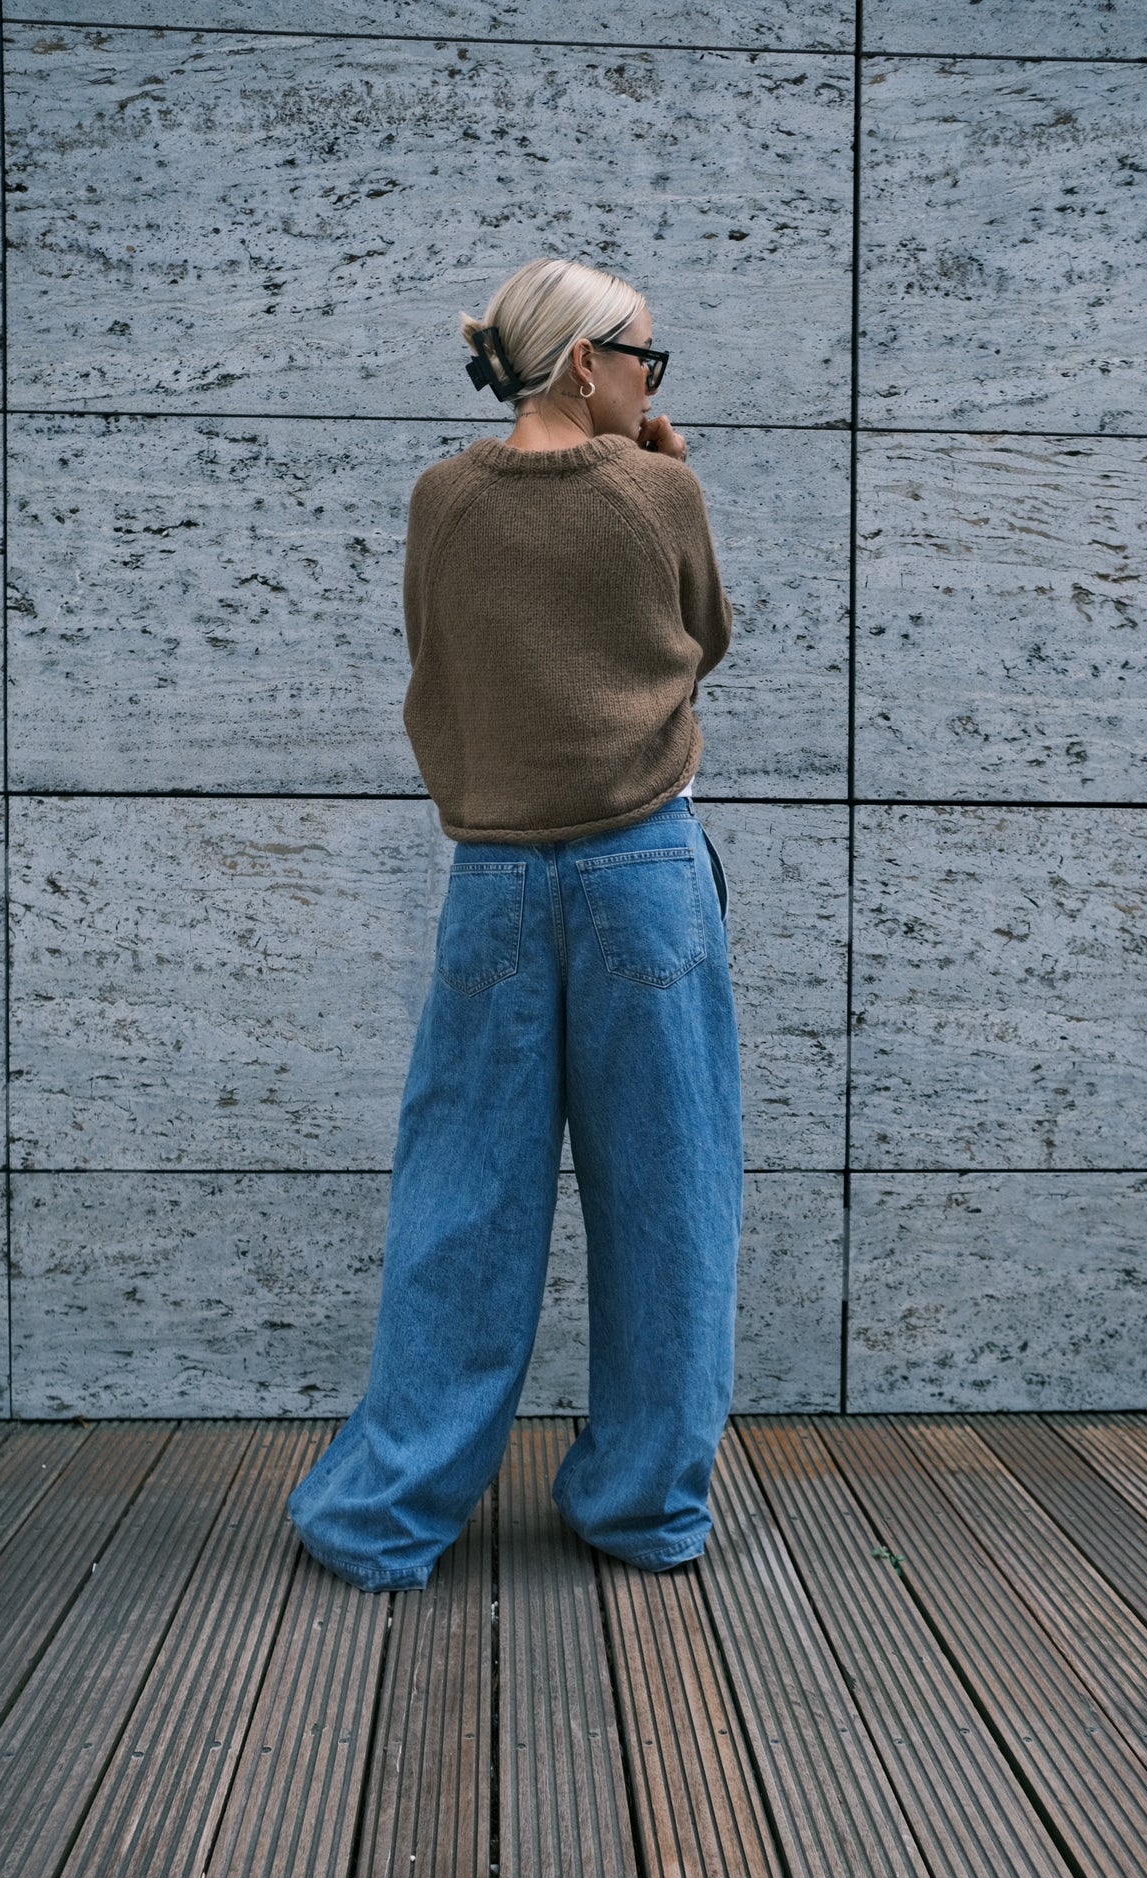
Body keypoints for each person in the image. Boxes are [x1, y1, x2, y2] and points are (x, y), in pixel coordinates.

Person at [287, 257, 744, 1591]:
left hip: (490, 879)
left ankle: (383, 1515)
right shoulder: (659, 488)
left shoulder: (443, 498)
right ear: (586, 362)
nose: (654, 382)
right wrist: (659, 468)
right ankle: (642, 1505)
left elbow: (435, 661)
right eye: (646, 357)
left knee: (462, 1199)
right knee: (666, 1196)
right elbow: (701, 635)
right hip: (641, 873)